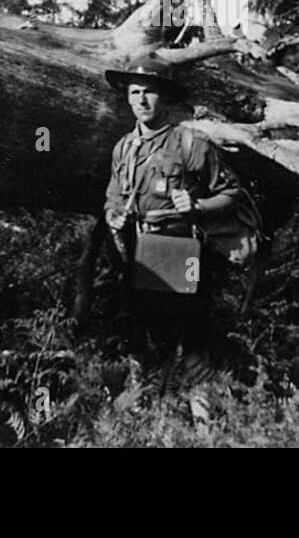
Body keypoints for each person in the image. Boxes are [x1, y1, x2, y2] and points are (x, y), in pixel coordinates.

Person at [97, 57, 243, 370]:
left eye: (149, 92)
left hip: (183, 247)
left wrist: (198, 206)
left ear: (165, 98)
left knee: (191, 335)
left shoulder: (191, 143)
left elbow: (232, 194)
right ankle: (155, 408)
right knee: (144, 336)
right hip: (137, 250)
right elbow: (112, 199)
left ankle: (201, 404)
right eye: (135, 92)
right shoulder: (123, 148)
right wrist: (114, 216)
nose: (141, 100)